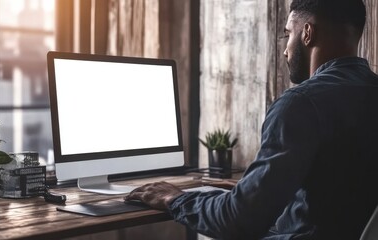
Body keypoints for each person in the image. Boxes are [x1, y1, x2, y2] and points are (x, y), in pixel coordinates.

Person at [125, 0, 378, 239]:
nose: (286, 50)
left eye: (288, 33)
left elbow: (238, 220)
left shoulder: (300, 103)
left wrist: (174, 199)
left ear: (307, 33)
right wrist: (249, 188)